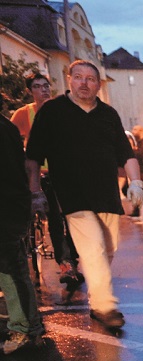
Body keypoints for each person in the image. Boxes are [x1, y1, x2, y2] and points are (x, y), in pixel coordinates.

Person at [25, 60, 143, 330]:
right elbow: (32, 157)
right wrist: (36, 193)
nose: (84, 83)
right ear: (69, 79)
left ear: (98, 85)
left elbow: (126, 153)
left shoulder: (108, 114)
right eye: (78, 77)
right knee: (93, 249)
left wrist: (136, 183)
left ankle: (97, 300)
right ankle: (105, 306)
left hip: (107, 195)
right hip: (73, 196)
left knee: (108, 250)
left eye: (90, 79)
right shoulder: (52, 112)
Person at [10, 72, 84, 298]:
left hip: (63, 173)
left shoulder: (62, 111)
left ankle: (69, 260)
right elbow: (11, 142)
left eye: (46, 85)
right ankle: (53, 264)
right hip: (37, 175)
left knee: (67, 218)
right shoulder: (24, 114)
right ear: (30, 91)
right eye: (37, 86)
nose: (43, 90)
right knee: (44, 218)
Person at [1, 105, 45, 354]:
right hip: (10, 208)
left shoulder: (4, 129)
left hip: (6, 210)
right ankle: (25, 327)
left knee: (11, 272)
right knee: (9, 270)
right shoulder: (6, 128)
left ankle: (26, 330)